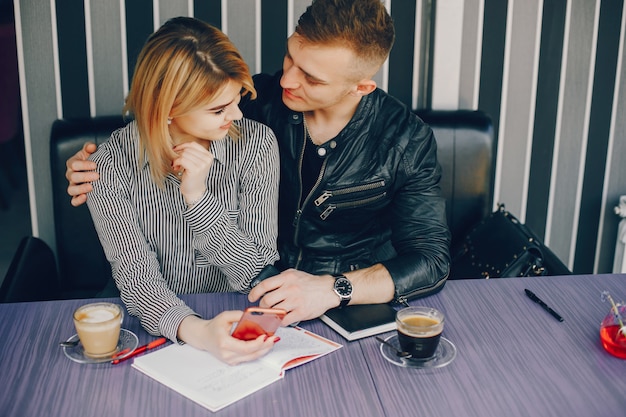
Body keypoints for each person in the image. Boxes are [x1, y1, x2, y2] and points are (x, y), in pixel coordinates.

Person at [66, 0, 451, 327]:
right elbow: (173, 105)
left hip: (343, 301)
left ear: (361, 87)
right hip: (251, 292)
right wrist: (97, 164)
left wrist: (334, 288)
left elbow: (431, 260)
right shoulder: (254, 102)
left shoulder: (405, 139)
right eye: (290, 56)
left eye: (311, 79)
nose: (286, 80)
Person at [82, 17, 281, 365]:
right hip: (152, 325)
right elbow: (135, 275)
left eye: (237, 98)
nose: (236, 114)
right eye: (219, 109)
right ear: (169, 109)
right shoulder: (109, 165)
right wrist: (199, 332)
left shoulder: (257, 145)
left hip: (237, 315)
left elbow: (258, 271)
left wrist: (199, 200)